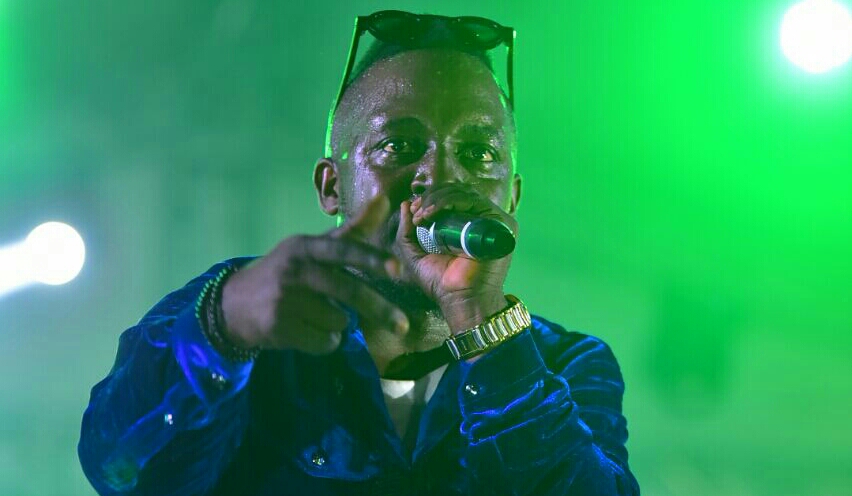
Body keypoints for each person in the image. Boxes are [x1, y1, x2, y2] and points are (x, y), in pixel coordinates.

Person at [78, 10, 639, 496]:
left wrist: (483, 327)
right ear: (331, 187)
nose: (439, 175)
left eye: (478, 153)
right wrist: (223, 329)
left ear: (511, 196)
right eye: (399, 145)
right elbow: (121, 470)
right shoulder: (245, 314)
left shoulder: (566, 366)